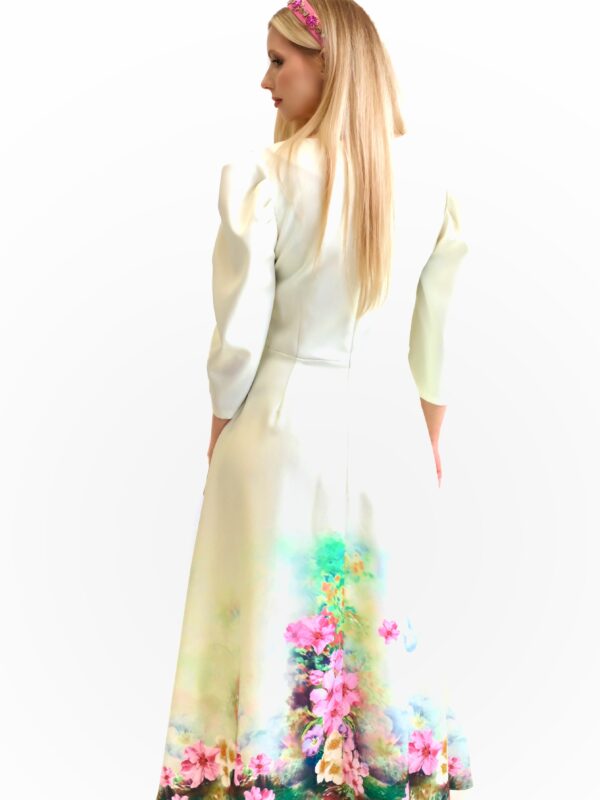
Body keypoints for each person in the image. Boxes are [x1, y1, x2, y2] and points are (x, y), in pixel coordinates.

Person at [155, 2, 475, 798]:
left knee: (265, 624)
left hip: (278, 427)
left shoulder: (266, 177)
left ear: (326, 66)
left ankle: (261, 777)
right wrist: (430, 440)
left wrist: (219, 428)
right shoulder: (432, 185)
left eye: (278, 61)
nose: (264, 81)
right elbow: (436, 347)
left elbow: (239, 340)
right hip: (391, 436)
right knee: (385, 624)